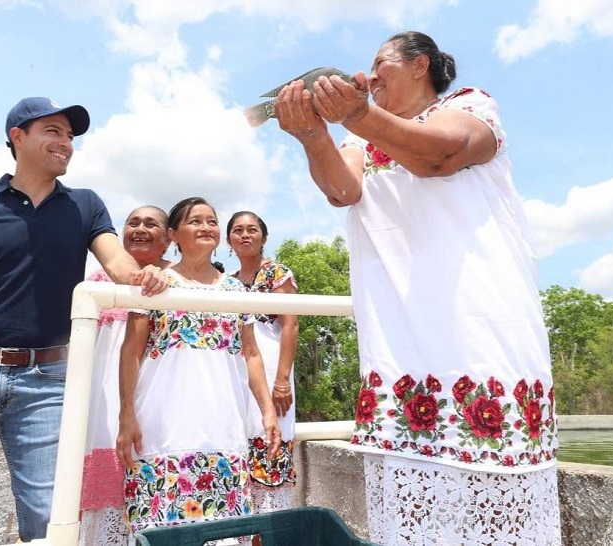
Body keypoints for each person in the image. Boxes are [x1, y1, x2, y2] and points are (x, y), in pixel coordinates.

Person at [274, 31, 561, 545]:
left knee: (497, 512)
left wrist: (358, 113)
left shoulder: (471, 105)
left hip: (480, 331)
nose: (371, 73)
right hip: (401, 344)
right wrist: (313, 136)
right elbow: (343, 190)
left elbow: (440, 156)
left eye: (380, 62)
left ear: (418, 65)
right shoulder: (360, 138)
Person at [0, 97, 167, 545]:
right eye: (54, 132)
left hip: (47, 380)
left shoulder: (85, 205)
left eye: (70, 136)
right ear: (17, 137)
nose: (66, 143)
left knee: (51, 519)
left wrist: (146, 275)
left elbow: (119, 265)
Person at [115, 197, 281, 538]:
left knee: (223, 531)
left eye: (211, 221)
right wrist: (126, 414)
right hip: (161, 427)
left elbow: (251, 354)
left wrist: (267, 411)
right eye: (195, 221)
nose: (205, 227)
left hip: (223, 425)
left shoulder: (236, 289)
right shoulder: (155, 283)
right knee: (161, 529)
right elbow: (131, 351)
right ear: (174, 234)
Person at [80, 205, 172, 546]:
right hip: (104, 400)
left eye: (151, 223)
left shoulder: (176, 282)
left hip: (157, 400)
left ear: (168, 238)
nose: (140, 228)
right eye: (133, 222)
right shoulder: (99, 282)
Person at [226, 211, 299, 514]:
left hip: (272, 371)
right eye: (238, 230)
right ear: (229, 240)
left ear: (264, 238)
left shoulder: (276, 273)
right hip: (240, 373)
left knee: (271, 442)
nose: (245, 235)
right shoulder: (227, 283)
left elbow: (291, 325)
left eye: (252, 230)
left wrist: (282, 381)